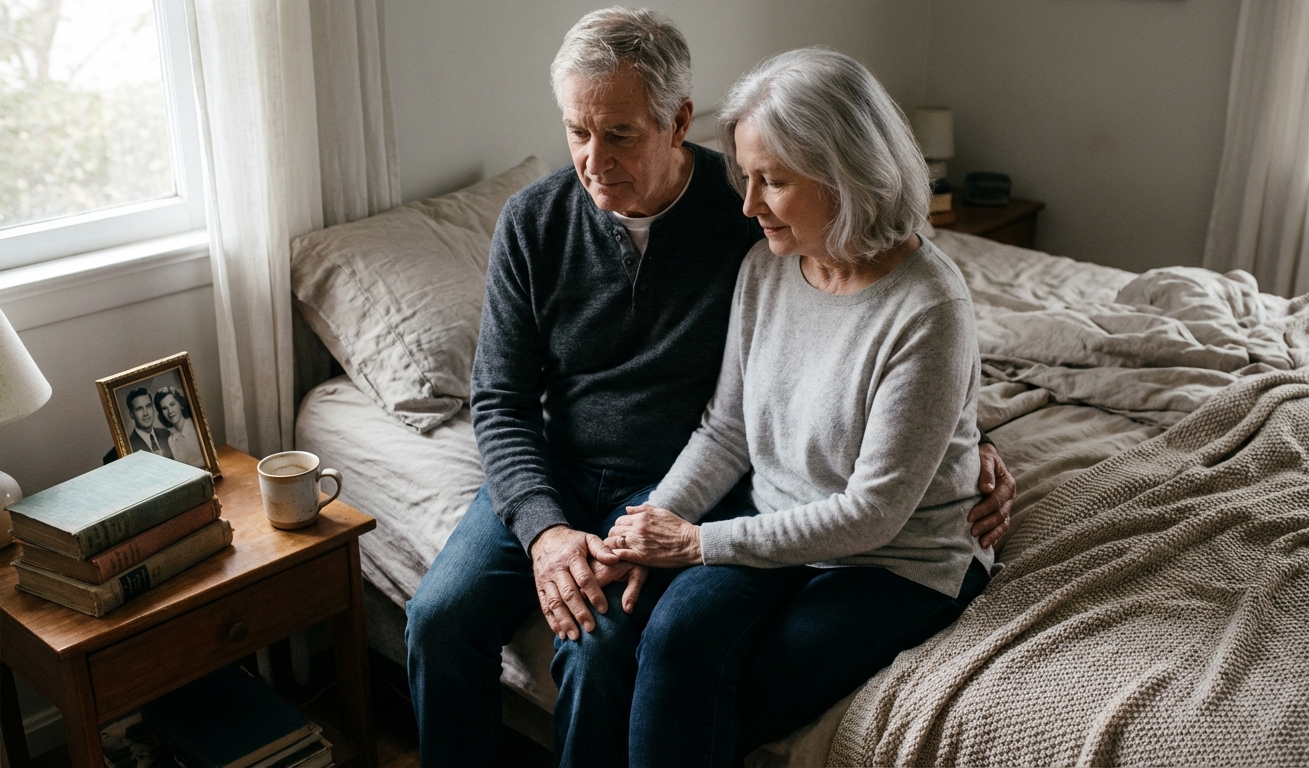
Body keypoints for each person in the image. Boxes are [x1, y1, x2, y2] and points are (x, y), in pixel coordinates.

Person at [404, 10, 1015, 767]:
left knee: (610, 660)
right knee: (437, 620)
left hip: (689, 485)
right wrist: (546, 530)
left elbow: (881, 346)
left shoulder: (751, 222)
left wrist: (971, 438)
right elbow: (500, 402)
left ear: (677, 121)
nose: (594, 160)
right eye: (576, 131)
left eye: (620, 133)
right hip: (578, 473)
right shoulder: (545, 222)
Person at [607, 48, 996, 766]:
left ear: (849, 177)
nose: (749, 205)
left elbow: (872, 514)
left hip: (896, 563)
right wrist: (654, 521)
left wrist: (697, 545)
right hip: (775, 520)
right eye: (746, 178)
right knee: (669, 643)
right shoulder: (766, 267)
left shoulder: (930, 307)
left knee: (724, 694)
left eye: (774, 181)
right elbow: (727, 430)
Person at [154, 386, 206, 469]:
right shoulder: (171, 440)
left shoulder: (197, 427)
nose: (170, 411)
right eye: (164, 408)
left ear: (181, 404)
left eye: (172, 404)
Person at [125, 387, 172, 458]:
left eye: (148, 406)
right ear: (131, 414)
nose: (146, 413)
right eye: (139, 409)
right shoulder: (128, 447)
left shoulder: (167, 434)